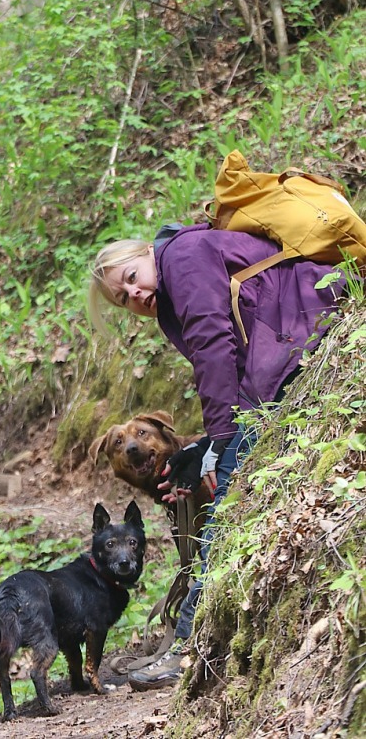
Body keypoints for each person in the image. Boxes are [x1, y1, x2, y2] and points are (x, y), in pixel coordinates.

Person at [88, 222, 345, 691]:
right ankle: (187, 637)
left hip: (301, 332)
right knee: (222, 484)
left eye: (130, 276)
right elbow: (236, 350)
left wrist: (219, 442)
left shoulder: (181, 257)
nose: (134, 293)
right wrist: (207, 446)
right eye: (123, 298)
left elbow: (214, 345)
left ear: (147, 253)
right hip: (283, 347)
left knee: (226, 508)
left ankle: (189, 647)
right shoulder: (176, 276)